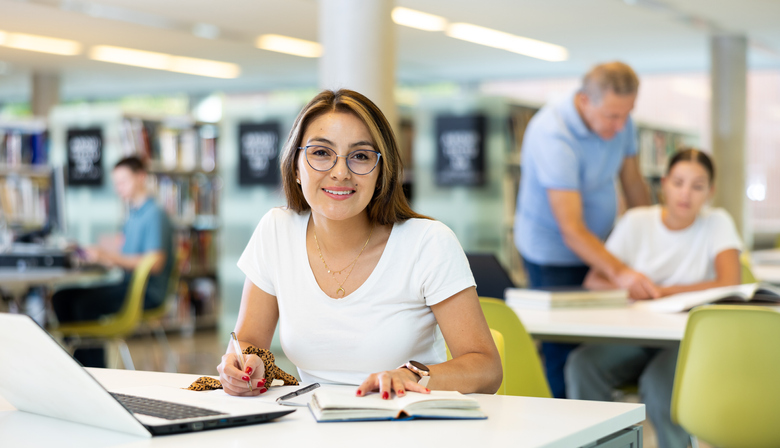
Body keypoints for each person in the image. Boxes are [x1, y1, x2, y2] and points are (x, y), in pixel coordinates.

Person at [217, 89, 502, 398]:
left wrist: (413, 376)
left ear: (381, 172)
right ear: (296, 166)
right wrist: (245, 364)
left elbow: (486, 369)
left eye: (361, 156)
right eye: (321, 153)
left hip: (407, 425)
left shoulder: (428, 243)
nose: (340, 173)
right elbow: (248, 341)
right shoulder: (276, 230)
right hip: (313, 425)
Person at [566, 148, 742, 448]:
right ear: (664, 183)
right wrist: (628, 287)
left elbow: (730, 282)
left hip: (687, 342)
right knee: (583, 365)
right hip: (635, 336)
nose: (685, 194)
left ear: (710, 192)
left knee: (661, 386)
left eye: (697, 186)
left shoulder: (717, 222)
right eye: (678, 182)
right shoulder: (637, 221)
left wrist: (663, 291)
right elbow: (594, 280)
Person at [514, 61, 654, 398]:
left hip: (602, 246)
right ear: (584, 100)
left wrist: (653, 236)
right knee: (564, 349)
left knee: (603, 339)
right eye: (612, 116)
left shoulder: (622, 122)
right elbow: (572, 229)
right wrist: (620, 272)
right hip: (553, 254)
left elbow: (633, 183)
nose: (620, 126)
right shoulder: (553, 132)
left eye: (627, 114)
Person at [52, 155, 174, 367]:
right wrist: (95, 252)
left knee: (84, 304)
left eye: (123, 182)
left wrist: (109, 257)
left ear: (141, 177)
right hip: (127, 284)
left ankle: (94, 371)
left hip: (144, 292)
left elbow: (154, 264)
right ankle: (79, 364)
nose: (118, 188)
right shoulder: (132, 214)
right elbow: (124, 250)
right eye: (116, 183)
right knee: (62, 297)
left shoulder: (154, 214)